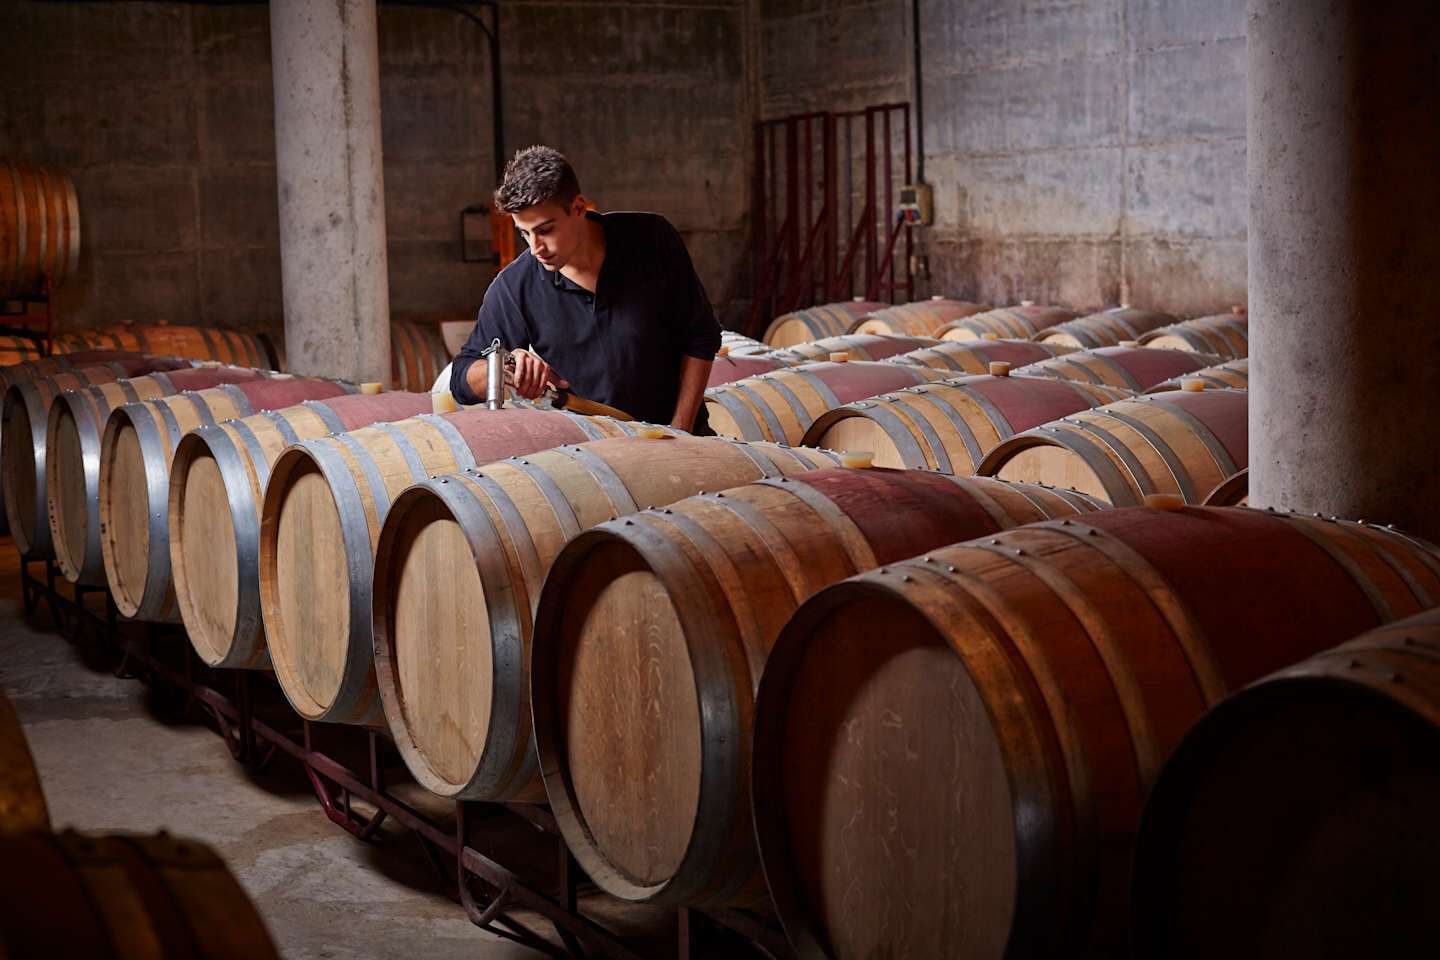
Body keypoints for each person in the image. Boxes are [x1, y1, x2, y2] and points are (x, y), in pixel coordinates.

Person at [450, 146, 719, 433]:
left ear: (578, 208)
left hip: (685, 443)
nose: (535, 247)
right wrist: (506, 366)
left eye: (545, 230)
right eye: (524, 233)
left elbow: (701, 336)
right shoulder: (515, 286)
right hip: (594, 461)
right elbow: (461, 378)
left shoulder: (652, 239)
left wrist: (680, 432)